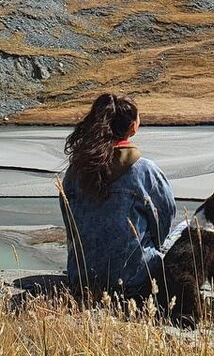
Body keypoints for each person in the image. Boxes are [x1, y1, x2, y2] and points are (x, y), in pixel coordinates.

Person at [59, 93, 178, 307]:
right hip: (133, 279)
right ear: (133, 127)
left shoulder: (75, 171)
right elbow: (164, 220)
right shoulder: (145, 171)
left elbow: (70, 226)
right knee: (185, 230)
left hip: (82, 277)